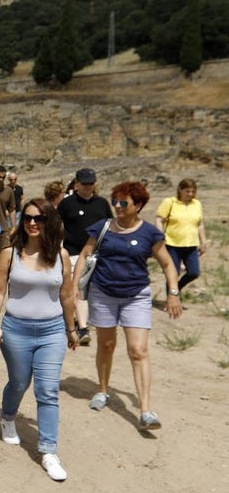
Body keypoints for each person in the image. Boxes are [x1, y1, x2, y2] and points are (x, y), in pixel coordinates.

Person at [72, 181, 181, 431]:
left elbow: (167, 264)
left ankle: (145, 410)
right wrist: (74, 285)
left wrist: (173, 292)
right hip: (104, 294)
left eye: (124, 203)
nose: (118, 207)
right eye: (115, 202)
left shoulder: (149, 233)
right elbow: (86, 254)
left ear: (138, 205)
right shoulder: (103, 227)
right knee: (106, 344)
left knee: (138, 350)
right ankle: (102, 390)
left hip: (137, 296)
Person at [0, 199, 77, 482]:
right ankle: (8, 416)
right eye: (28, 218)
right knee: (19, 382)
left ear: (49, 222)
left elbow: (67, 296)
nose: (33, 223)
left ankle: (48, 450)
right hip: (16, 330)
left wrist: (71, 330)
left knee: (48, 390)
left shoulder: (60, 255)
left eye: (39, 219)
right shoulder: (9, 254)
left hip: (51, 331)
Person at [57, 167, 112, 346]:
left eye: (91, 183)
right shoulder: (68, 203)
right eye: (85, 183)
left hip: (98, 255)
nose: (88, 187)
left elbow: (110, 226)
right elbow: (57, 226)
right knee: (78, 289)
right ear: (77, 184)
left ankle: (89, 320)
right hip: (73, 253)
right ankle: (81, 327)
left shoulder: (102, 204)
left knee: (93, 291)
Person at [155, 178, 206, 301]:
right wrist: (161, 236)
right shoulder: (170, 202)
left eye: (193, 191)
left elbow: (200, 224)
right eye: (187, 191)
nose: (190, 194)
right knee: (173, 273)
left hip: (191, 244)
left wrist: (203, 241)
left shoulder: (197, 204)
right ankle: (171, 299)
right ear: (180, 190)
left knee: (194, 272)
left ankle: (176, 289)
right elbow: (159, 219)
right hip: (172, 244)